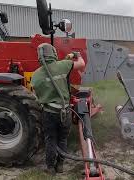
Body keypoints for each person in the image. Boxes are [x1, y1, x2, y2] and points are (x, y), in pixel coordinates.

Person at [31, 43, 85, 175]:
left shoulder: (36, 75)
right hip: (64, 112)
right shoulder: (63, 65)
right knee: (62, 139)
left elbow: (37, 94)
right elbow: (81, 64)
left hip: (49, 113)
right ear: (53, 53)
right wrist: (77, 55)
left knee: (50, 139)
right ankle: (60, 165)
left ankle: (50, 168)